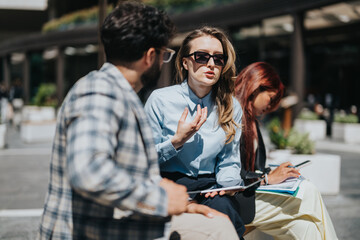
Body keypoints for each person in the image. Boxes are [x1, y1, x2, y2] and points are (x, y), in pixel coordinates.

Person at [37, 2, 239, 240]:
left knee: (218, 225)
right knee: (219, 230)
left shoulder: (115, 93)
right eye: (165, 55)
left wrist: (184, 205)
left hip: (115, 226)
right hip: (94, 231)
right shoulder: (100, 94)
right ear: (150, 56)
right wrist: (162, 199)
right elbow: (89, 171)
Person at [144, 26, 245, 238]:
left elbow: (229, 161)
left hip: (210, 186)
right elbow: (143, 159)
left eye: (218, 59)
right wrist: (176, 141)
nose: (211, 64)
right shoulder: (160, 100)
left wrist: (229, 185)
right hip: (169, 182)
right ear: (185, 62)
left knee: (225, 213)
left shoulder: (231, 106)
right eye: (202, 57)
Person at [234, 61, 338, 239]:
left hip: (251, 194)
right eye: (271, 97)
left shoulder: (251, 121)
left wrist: (274, 174)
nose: (270, 105)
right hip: (238, 200)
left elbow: (253, 167)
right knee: (308, 191)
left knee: (306, 227)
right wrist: (267, 179)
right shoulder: (232, 115)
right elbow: (229, 171)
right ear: (256, 86)